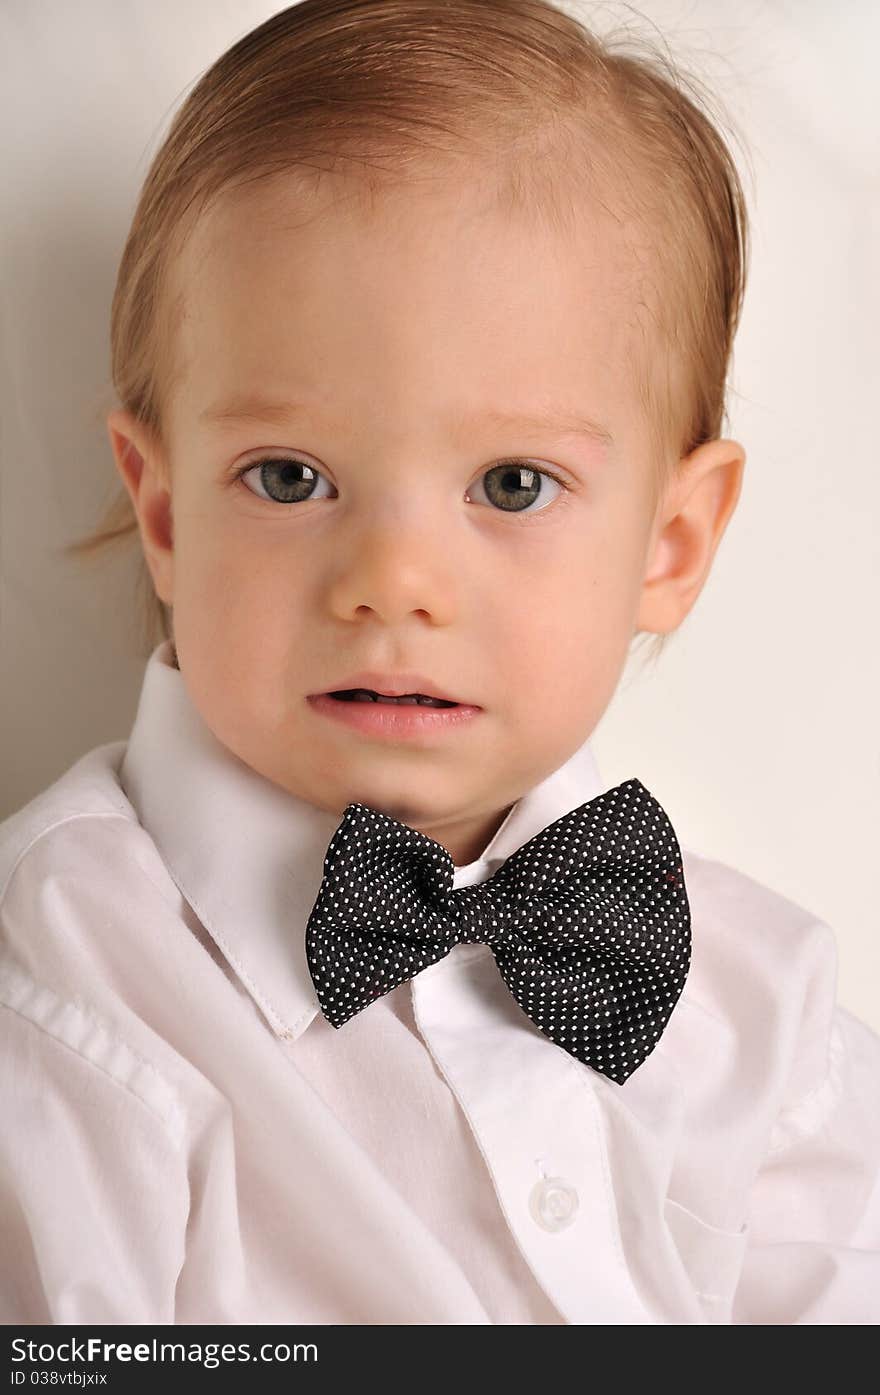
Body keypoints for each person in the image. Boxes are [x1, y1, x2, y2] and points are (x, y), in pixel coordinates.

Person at [1, 0, 878, 1325]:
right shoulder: (62, 1001)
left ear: (671, 541)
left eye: (513, 483)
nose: (393, 583)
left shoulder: (761, 1009)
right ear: (166, 511)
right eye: (289, 477)